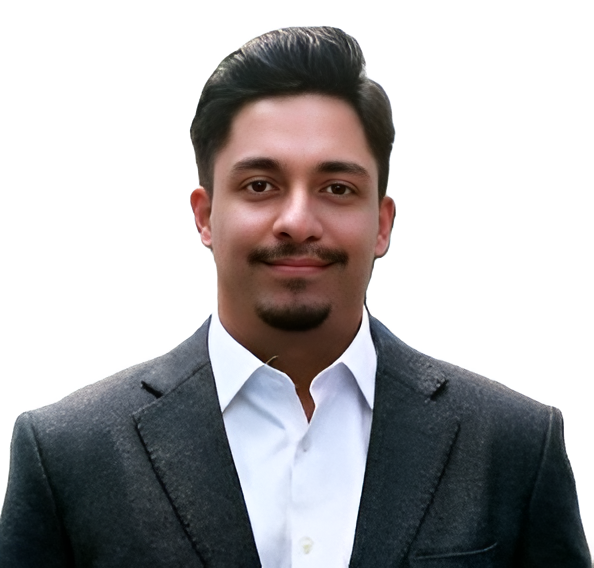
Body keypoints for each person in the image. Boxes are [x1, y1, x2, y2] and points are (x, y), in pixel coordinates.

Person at [0, 26, 589, 568]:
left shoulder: (512, 448)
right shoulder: (69, 455)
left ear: (382, 223)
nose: (298, 221)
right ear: (205, 216)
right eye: (261, 185)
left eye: (337, 188)